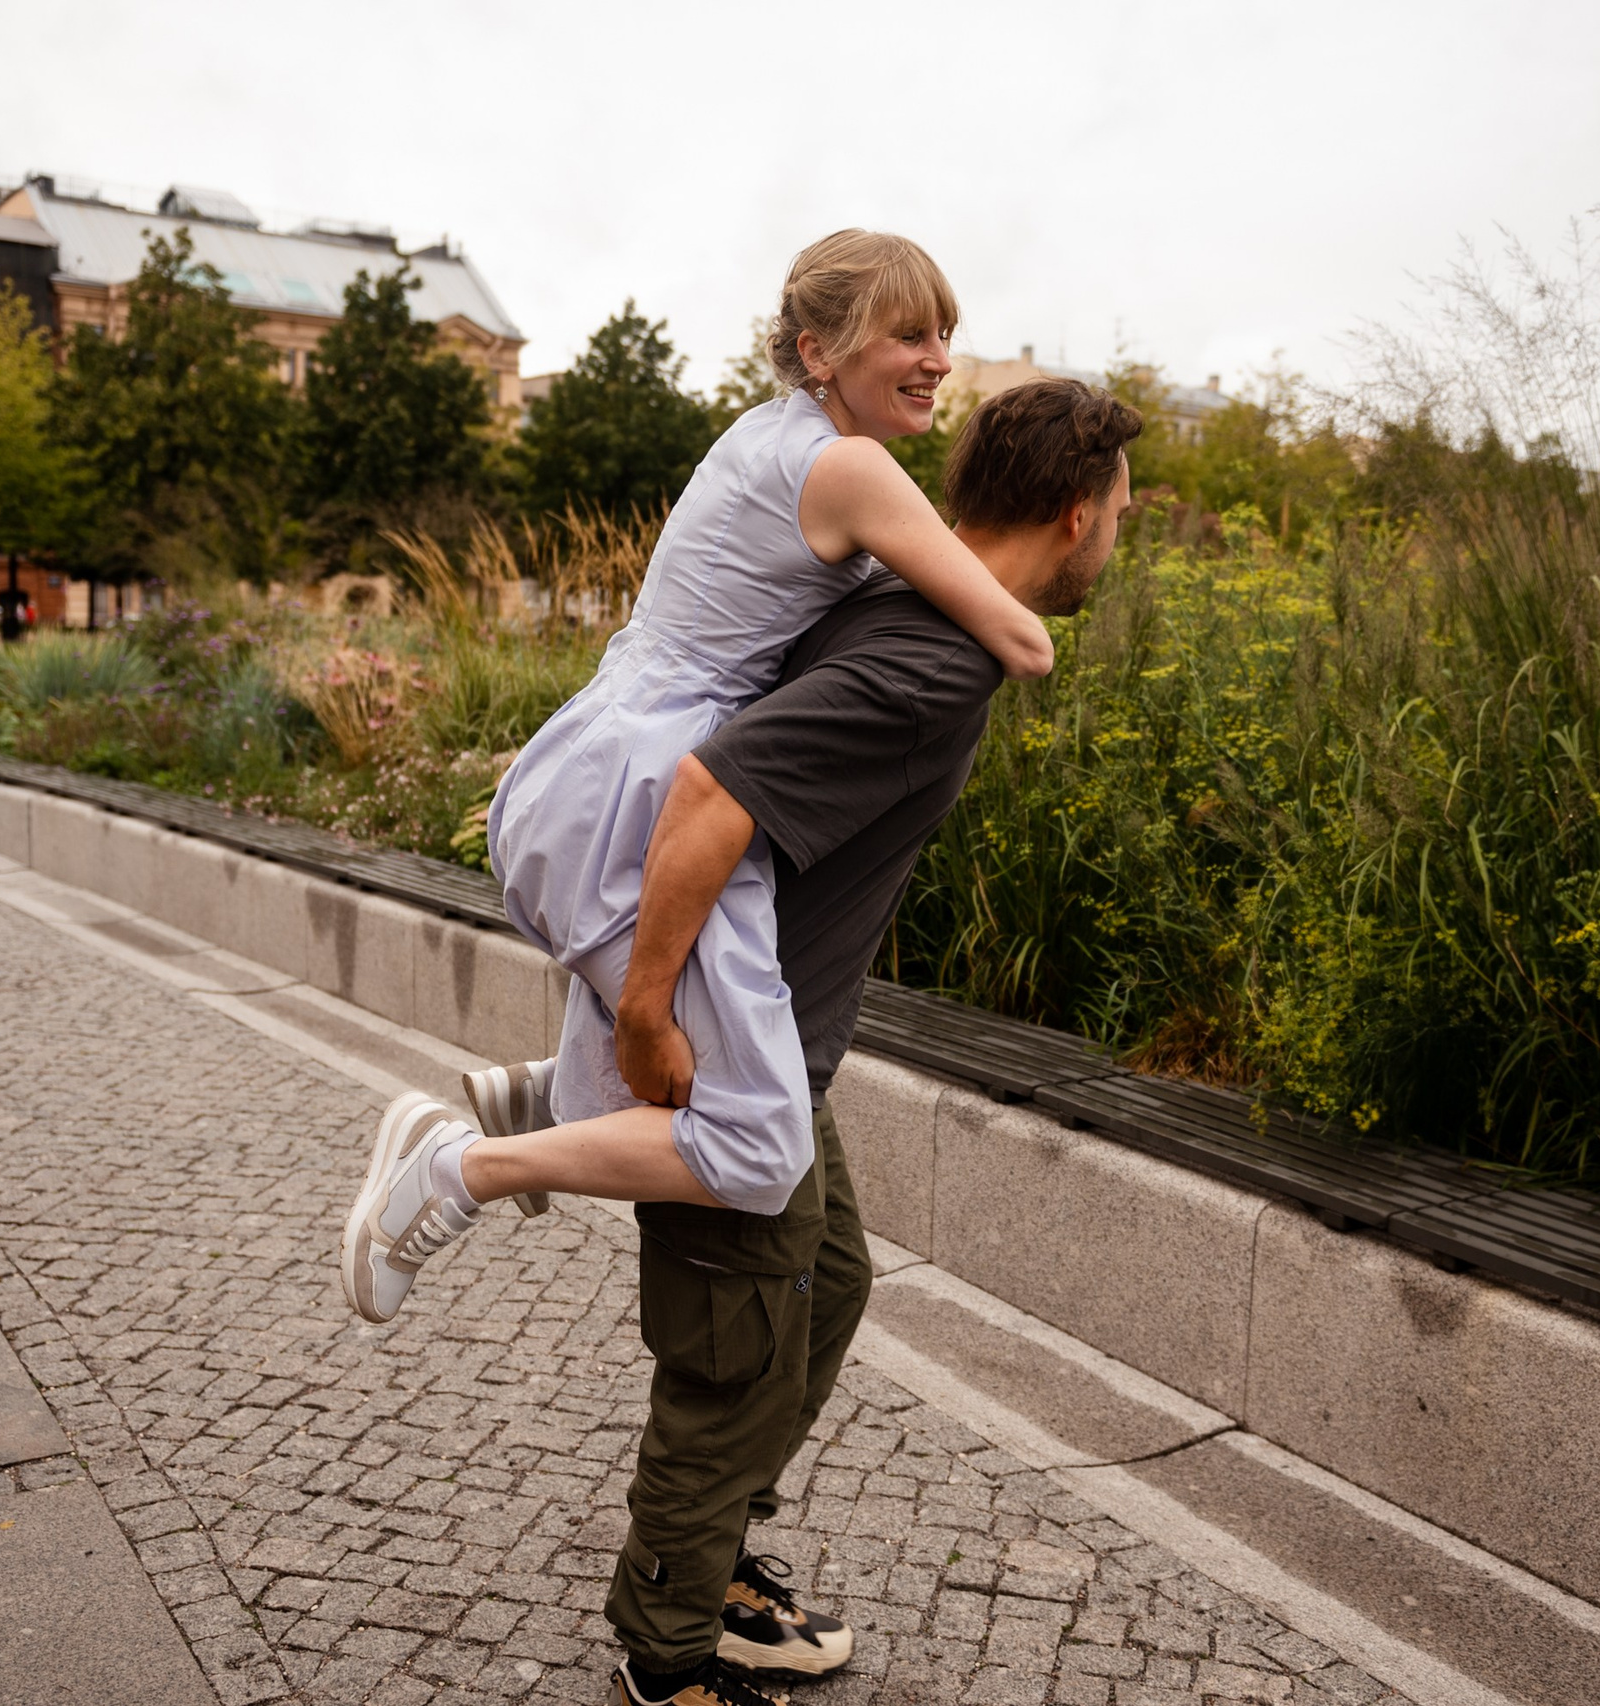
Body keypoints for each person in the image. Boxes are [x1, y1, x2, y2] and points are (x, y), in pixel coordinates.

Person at [397, 379, 1140, 1706]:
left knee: (831, 1277)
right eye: (1123, 515)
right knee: (733, 1352)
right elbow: (708, 795)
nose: (1120, 538)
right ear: (1079, 513)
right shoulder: (935, 662)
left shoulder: (909, 600)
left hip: (780, 1035)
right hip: (724, 1047)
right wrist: (645, 1011)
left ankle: (717, 1555)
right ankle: (668, 1645)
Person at [339, 230, 1056, 1324]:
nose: (938, 358)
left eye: (945, 333)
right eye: (908, 333)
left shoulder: (767, 437)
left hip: (593, 761)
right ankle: (456, 1167)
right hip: (647, 789)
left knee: (693, 1032)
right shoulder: (850, 466)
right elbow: (1021, 638)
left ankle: (547, 1097)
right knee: (760, 1143)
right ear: (819, 349)